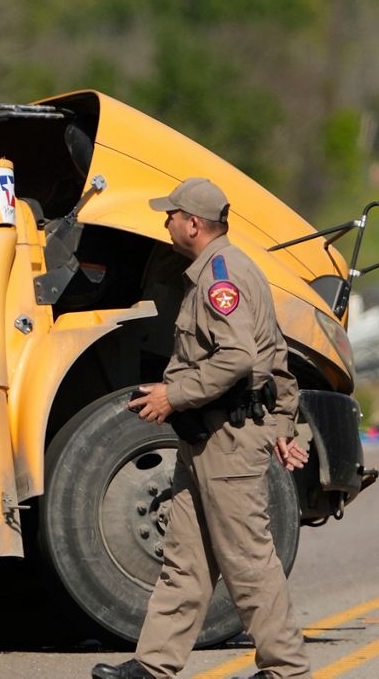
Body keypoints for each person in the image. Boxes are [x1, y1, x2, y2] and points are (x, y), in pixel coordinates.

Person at [93, 178, 311, 679]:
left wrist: (174, 395)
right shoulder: (229, 268)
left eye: (170, 215)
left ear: (193, 223)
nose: (164, 222)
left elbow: (237, 358)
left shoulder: (220, 277)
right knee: (185, 561)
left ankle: (287, 669)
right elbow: (275, 356)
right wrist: (282, 424)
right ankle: (154, 666)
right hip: (207, 439)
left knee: (247, 561)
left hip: (228, 442)